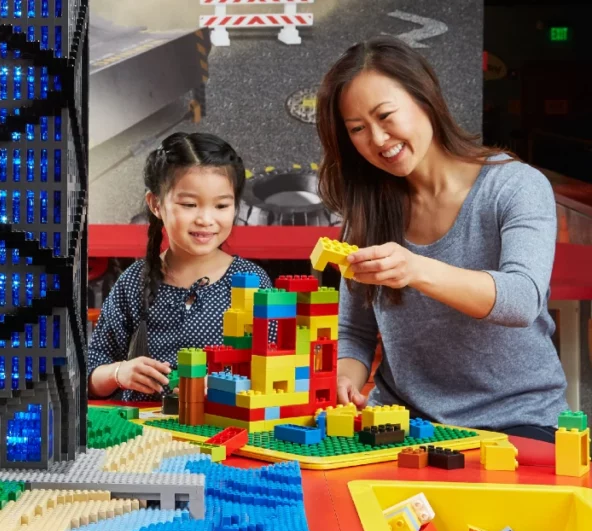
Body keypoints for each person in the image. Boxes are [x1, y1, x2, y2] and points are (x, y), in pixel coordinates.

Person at [316, 36, 568, 442]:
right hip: (403, 421)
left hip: (517, 421)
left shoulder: (513, 185)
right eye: (358, 129)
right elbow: (356, 330)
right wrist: (346, 378)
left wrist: (415, 269)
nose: (378, 139)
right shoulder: (368, 209)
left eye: (386, 116)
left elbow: (522, 299)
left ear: (425, 99)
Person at [87, 132, 274, 401]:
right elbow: (90, 373)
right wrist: (119, 372)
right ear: (156, 205)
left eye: (221, 205)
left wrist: (232, 387)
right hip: (146, 438)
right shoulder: (133, 281)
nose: (206, 219)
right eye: (189, 204)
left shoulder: (252, 282)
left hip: (224, 432)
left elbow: (278, 368)